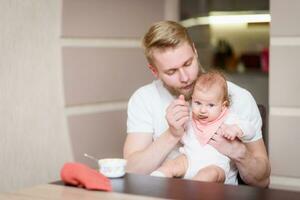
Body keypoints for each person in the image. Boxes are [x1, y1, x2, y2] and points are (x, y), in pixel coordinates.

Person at [123, 20, 270, 187]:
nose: (185, 77)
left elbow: (263, 181)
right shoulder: (144, 99)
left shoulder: (237, 96)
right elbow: (131, 171)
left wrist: (240, 154)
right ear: (154, 71)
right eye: (171, 71)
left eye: (188, 63)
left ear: (194, 50)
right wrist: (172, 135)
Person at [150, 71, 255, 184]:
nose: (202, 110)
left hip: (215, 166)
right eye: (198, 103)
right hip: (189, 160)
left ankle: (190, 193)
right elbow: (182, 136)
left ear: (222, 105)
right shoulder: (190, 117)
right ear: (192, 99)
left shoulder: (228, 118)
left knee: (208, 175)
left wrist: (236, 130)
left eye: (210, 105)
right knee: (172, 164)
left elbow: (250, 130)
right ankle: (156, 180)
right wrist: (178, 123)